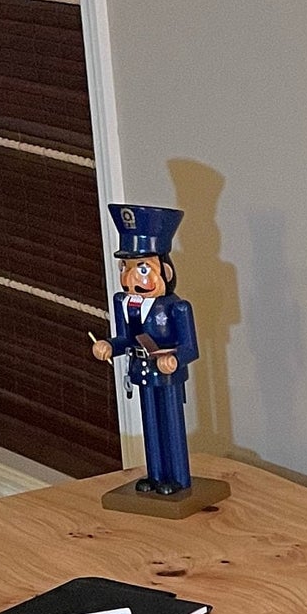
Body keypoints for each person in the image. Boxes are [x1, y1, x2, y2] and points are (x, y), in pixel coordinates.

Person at [92, 203, 199, 497]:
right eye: (125, 269)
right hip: (140, 369)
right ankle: (155, 475)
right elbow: (126, 338)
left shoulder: (177, 307)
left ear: (165, 270)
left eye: (142, 269)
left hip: (166, 374)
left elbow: (190, 347)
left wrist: (174, 359)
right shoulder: (123, 302)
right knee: (150, 423)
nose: (131, 279)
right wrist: (109, 346)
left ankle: (177, 477)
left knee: (171, 423)